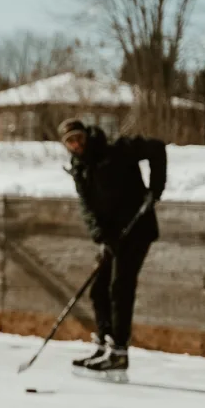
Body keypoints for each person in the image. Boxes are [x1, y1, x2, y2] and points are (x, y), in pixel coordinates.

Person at [59, 118, 165, 375]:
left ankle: (119, 352)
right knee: (98, 291)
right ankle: (105, 345)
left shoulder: (115, 150)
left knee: (120, 287)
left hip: (137, 228)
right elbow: (88, 209)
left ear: (86, 135)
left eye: (79, 138)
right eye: (70, 141)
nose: (76, 144)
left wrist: (155, 190)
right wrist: (102, 238)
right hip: (113, 236)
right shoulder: (79, 168)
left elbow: (157, 148)